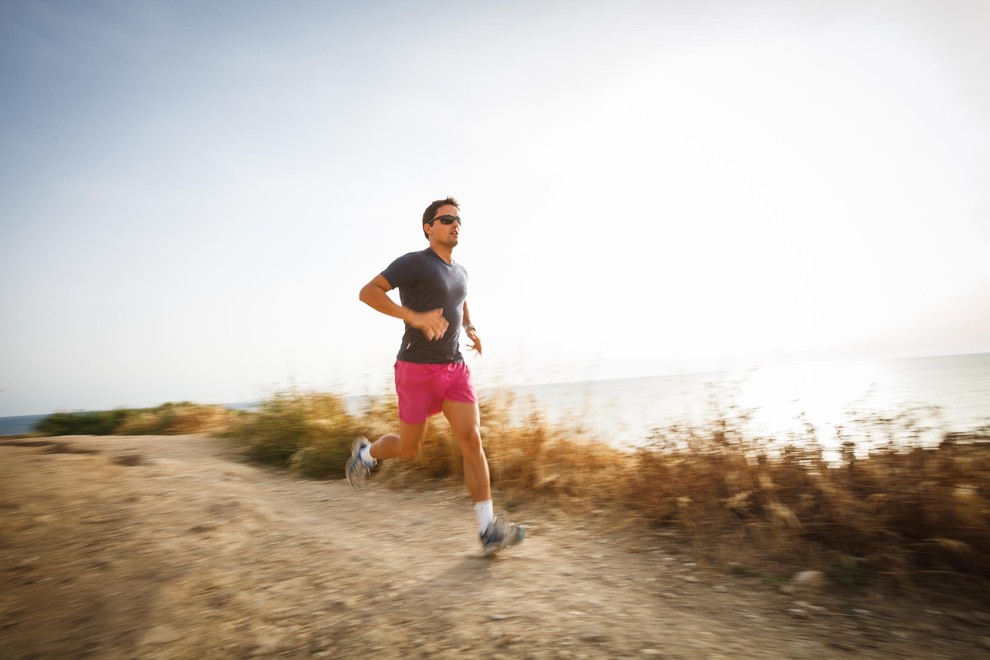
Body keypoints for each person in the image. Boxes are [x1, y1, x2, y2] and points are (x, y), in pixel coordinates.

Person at [349, 196, 524, 555]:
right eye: (445, 219)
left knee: (471, 439)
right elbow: (368, 292)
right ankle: (366, 454)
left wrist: (471, 326)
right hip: (415, 369)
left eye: (458, 219)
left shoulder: (461, 271)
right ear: (429, 227)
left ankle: (488, 528)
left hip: (454, 367)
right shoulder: (414, 262)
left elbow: (459, 299)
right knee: (409, 448)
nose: (454, 224)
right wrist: (412, 316)